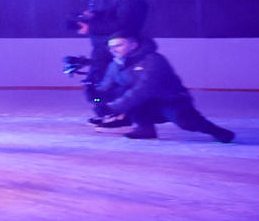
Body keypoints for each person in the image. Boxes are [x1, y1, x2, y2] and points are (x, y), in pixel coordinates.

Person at [96, 33, 235, 142]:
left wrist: (113, 107)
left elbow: (144, 89)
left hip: (171, 100)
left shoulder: (153, 60)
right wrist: (96, 98)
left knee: (186, 122)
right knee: (121, 90)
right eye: (111, 47)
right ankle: (145, 128)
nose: (113, 50)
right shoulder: (115, 65)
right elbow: (106, 89)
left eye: (119, 45)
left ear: (133, 45)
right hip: (145, 104)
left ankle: (218, 132)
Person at [74, 0, 148, 123]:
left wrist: (91, 28)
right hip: (103, 47)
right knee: (95, 85)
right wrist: (94, 15)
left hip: (119, 47)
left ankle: (121, 114)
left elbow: (123, 23)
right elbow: (110, 14)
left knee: (114, 84)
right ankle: (105, 111)